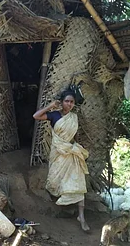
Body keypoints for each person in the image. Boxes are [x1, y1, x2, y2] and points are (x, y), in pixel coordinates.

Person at [33, 89, 90, 231]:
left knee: (78, 181)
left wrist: (77, 147)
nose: (69, 104)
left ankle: (81, 216)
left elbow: (75, 135)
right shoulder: (54, 115)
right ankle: (59, 209)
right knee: (54, 181)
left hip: (71, 152)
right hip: (58, 152)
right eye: (67, 101)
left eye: (71, 102)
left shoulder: (74, 118)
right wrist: (50, 106)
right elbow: (36, 116)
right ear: (62, 102)